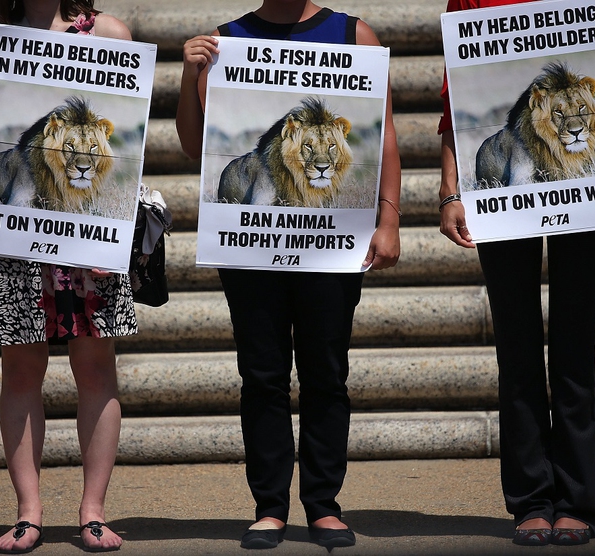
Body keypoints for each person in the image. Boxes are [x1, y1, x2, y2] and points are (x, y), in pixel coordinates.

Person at [176, 0, 401, 549]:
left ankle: (323, 505)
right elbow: (191, 146)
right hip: (252, 248)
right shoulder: (224, 41)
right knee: (262, 374)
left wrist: (389, 218)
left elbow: (385, 135)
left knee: (326, 372)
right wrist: (189, 76)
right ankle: (270, 506)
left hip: (330, 247)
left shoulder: (354, 34)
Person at [438, 0, 595, 547]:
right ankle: (531, 498)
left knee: (574, 341)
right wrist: (451, 190)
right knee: (518, 341)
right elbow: (453, 95)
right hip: (508, 186)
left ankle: (578, 498)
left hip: (586, 195)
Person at [0, 0, 136, 552]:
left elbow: (128, 128)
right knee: (20, 371)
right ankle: (28, 512)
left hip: (88, 237)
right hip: (14, 240)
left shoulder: (108, 30)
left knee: (96, 370)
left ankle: (93, 511)